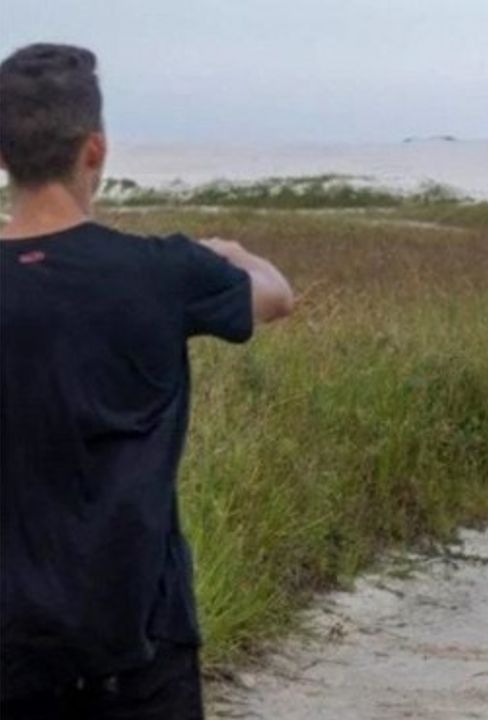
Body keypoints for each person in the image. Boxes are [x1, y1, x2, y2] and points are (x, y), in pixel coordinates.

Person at [1, 43, 294, 718]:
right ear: (95, 150)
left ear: (3, 154)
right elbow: (277, 296)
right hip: (140, 642)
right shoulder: (163, 272)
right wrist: (230, 251)